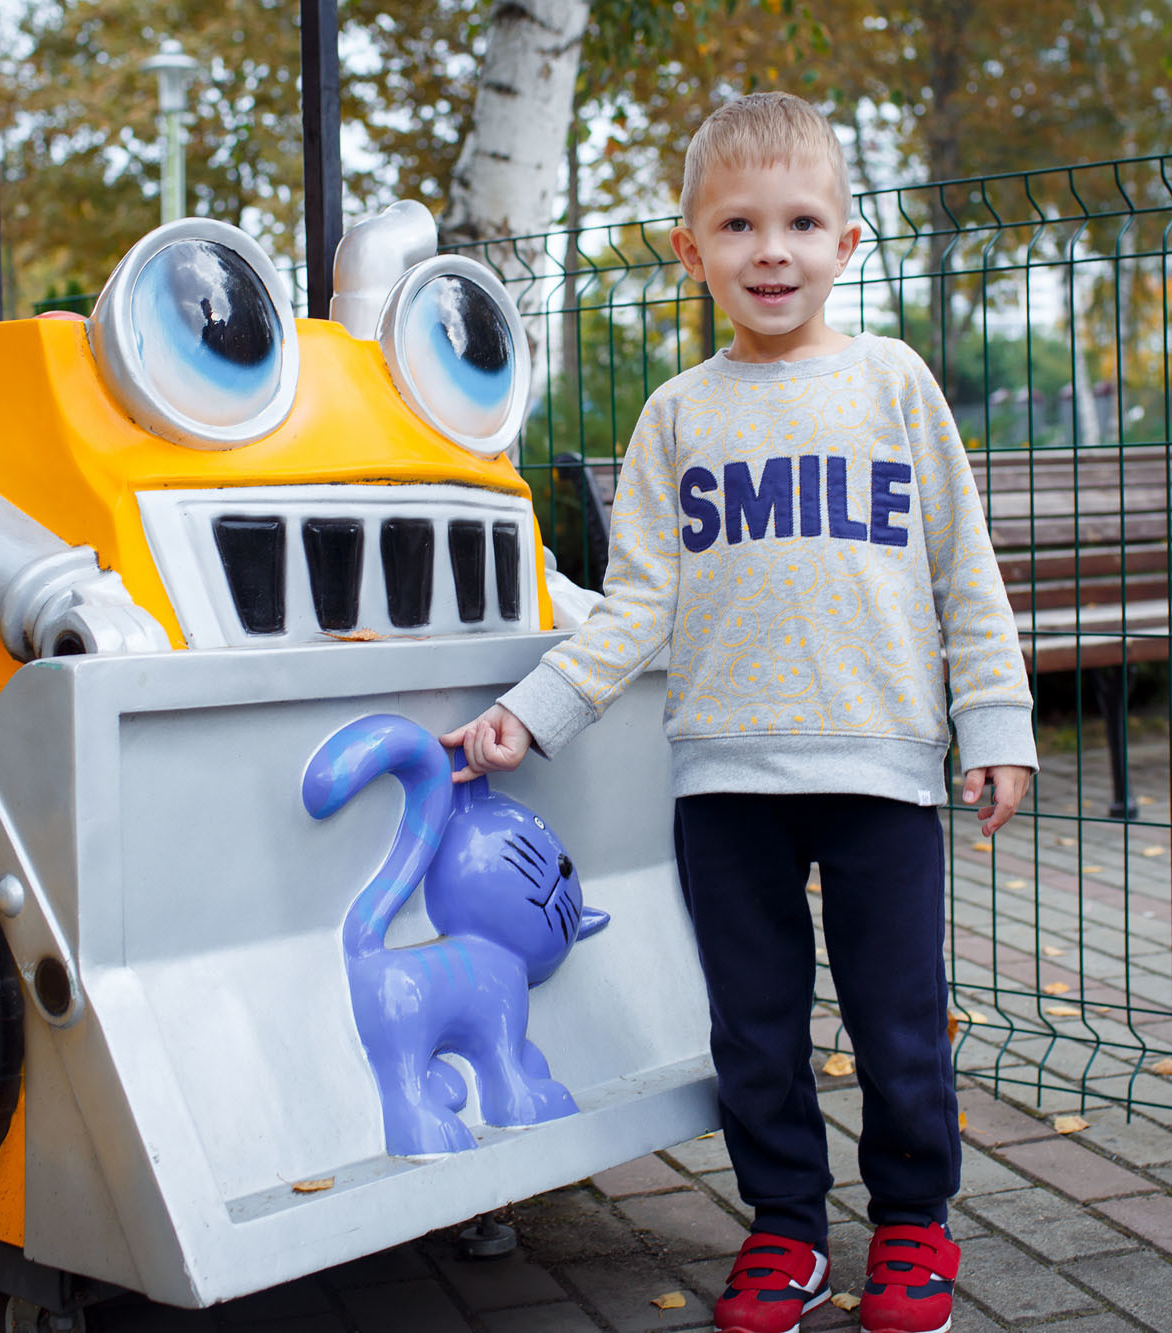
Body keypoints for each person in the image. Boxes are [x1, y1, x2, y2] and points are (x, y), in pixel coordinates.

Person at [441, 92, 1037, 1333]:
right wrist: (529, 714)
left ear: (846, 244)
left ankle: (914, 1225)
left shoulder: (894, 387)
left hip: (879, 776)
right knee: (753, 1031)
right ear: (690, 248)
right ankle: (782, 1230)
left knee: (896, 1023)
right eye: (738, 226)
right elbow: (631, 606)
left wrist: (992, 727)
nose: (772, 250)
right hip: (726, 787)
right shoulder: (676, 416)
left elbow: (961, 571)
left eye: (801, 222)